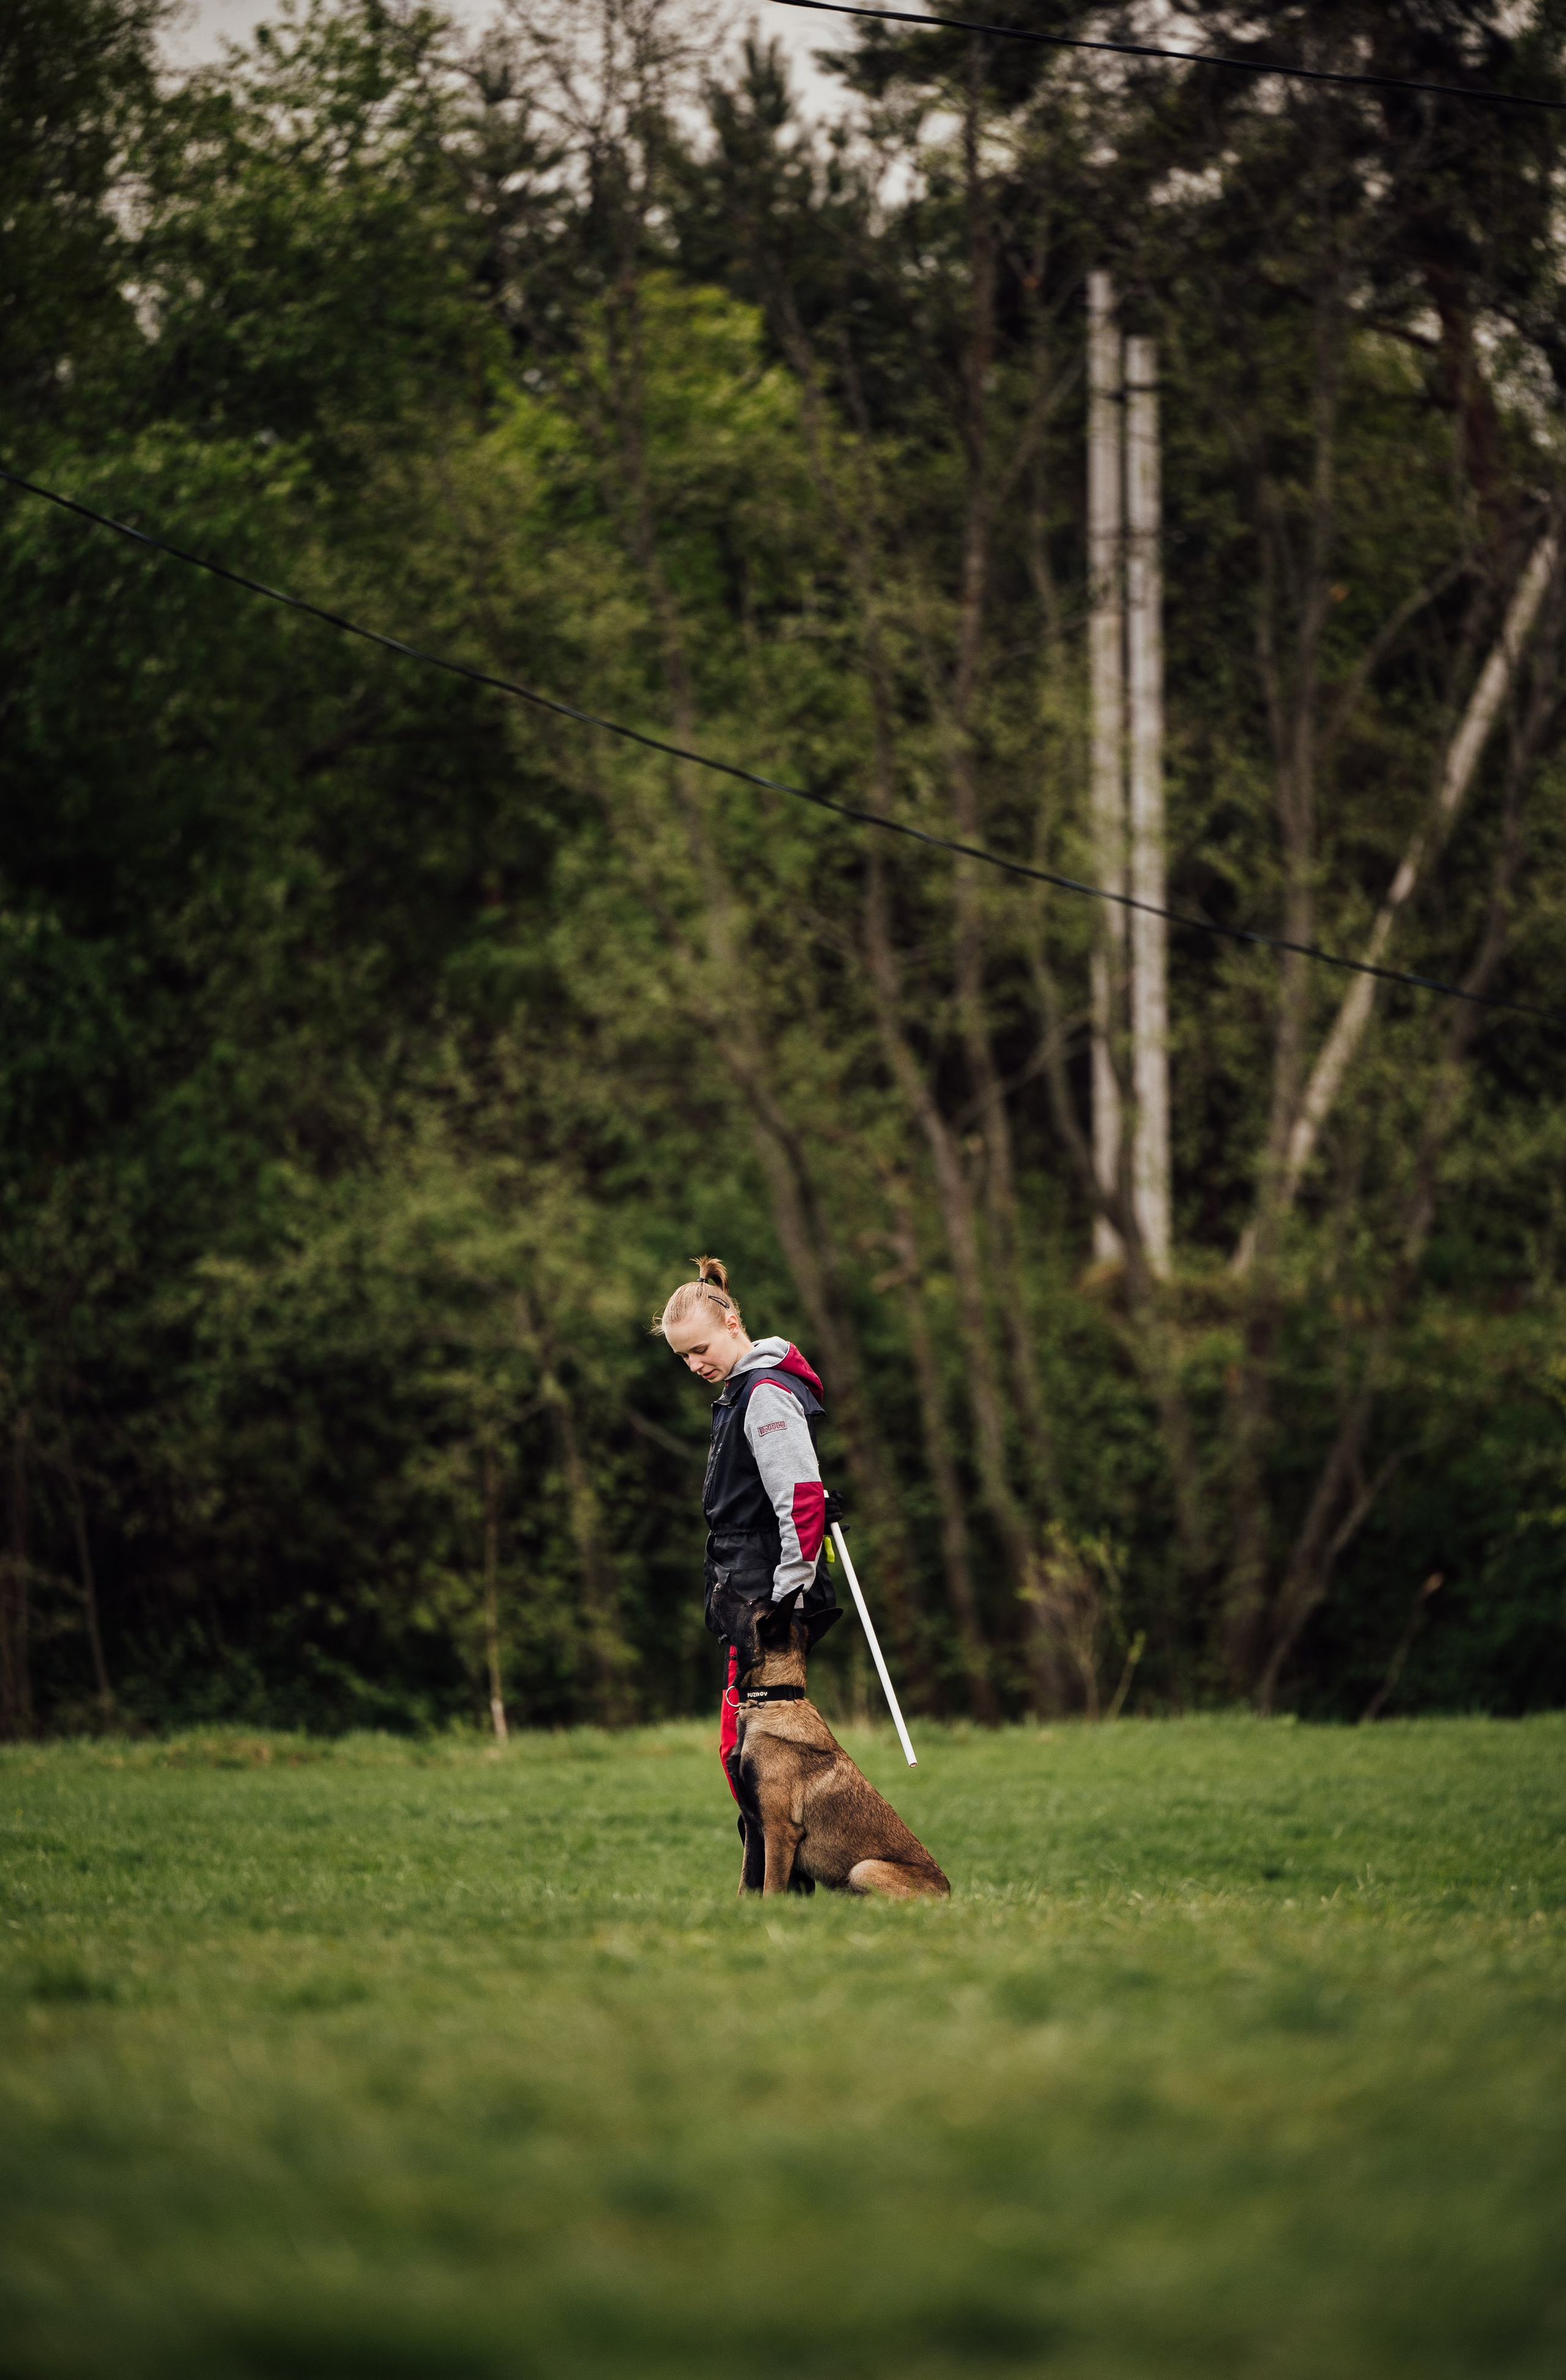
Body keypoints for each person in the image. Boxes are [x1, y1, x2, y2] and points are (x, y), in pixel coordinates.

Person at [653, 1256, 840, 1803]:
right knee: (754, 1751)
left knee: (747, 1751)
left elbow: (801, 1501)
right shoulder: (742, 1391)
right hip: (751, 1592)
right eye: (683, 1356)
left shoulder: (763, 1395)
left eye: (700, 1349)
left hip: (768, 1603)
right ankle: (783, 1878)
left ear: (732, 1324)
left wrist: (788, 1596)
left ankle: (774, 1880)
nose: (693, 1364)